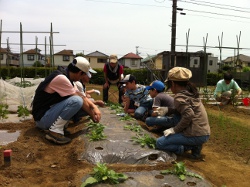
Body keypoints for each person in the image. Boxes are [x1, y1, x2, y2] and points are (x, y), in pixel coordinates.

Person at [32, 56, 101, 144]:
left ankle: (59, 127)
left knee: (82, 105)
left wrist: (94, 107)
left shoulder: (69, 78)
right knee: (77, 101)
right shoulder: (61, 78)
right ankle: (55, 131)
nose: (82, 78)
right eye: (83, 75)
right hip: (42, 119)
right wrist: (93, 114)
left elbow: (82, 96)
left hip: (49, 114)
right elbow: (79, 98)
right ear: (80, 73)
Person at [156, 67, 210, 159]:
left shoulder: (179, 97)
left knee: (159, 142)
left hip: (195, 134)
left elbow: (189, 115)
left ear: (172, 83)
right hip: (204, 133)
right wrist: (167, 110)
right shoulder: (191, 93)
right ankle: (196, 146)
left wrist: (174, 130)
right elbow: (184, 111)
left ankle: (186, 147)